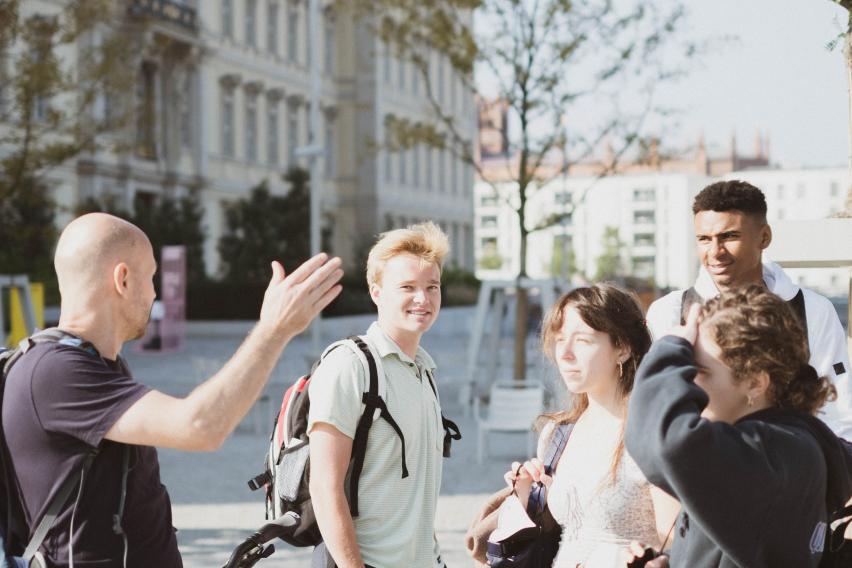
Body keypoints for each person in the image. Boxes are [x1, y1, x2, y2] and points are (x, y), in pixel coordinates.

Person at [2, 212, 343, 567]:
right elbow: (199, 427)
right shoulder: (57, 372)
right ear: (122, 279)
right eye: (151, 277)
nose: (153, 292)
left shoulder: (93, 365)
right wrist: (275, 329)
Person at [626, 285, 852, 567]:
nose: (689, 382)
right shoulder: (781, 444)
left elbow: (663, 443)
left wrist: (669, 348)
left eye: (701, 371)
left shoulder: (775, 451)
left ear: (756, 383)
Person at [645, 180, 851, 438]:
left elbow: (839, 413)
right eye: (704, 239)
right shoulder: (670, 312)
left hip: (791, 468)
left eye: (729, 236)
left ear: (764, 237)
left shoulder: (813, 310)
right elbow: (656, 409)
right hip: (700, 468)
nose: (715, 251)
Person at [307, 222, 451, 568]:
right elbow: (325, 488)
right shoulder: (350, 365)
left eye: (432, 287)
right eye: (407, 287)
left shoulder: (424, 371)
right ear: (376, 291)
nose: (423, 299)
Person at [507, 284, 679, 567]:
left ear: (622, 348)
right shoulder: (557, 433)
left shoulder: (652, 433)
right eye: (560, 340)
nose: (565, 354)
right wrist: (526, 495)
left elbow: (680, 540)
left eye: (583, 341)